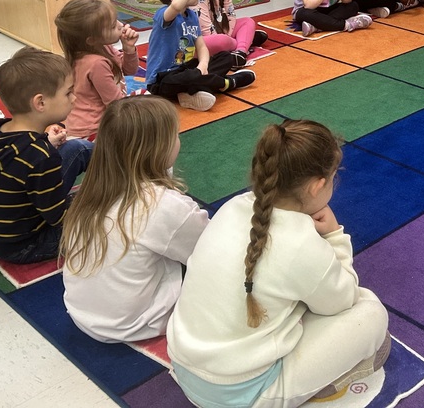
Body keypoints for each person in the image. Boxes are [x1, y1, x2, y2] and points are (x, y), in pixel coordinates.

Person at [167, 120, 390, 406]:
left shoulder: (232, 206)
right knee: (370, 312)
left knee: (296, 300)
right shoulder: (300, 244)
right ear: (317, 186)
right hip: (240, 396)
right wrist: (335, 236)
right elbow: (344, 299)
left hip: (185, 364)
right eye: (335, 176)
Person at [61, 96, 209, 343]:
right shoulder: (164, 205)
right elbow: (209, 249)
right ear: (159, 149)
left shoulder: (92, 190)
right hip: (135, 323)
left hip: (82, 312)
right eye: (175, 135)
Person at [0, 47, 91, 264]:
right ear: (40, 103)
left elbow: (12, 165)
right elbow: (57, 217)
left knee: (77, 148)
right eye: (68, 92)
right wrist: (94, 207)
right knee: (105, 217)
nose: (74, 98)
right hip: (25, 245)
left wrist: (46, 142)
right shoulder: (41, 157)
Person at [146, 0, 256, 111]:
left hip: (186, 70)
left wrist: (202, 65)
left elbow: (201, 45)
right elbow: (177, 6)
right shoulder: (163, 15)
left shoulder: (191, 15)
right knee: (187, 78)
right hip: (162, 80)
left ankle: (192, 91)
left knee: (225, 57)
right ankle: (226, 83)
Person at [55, 0, 139, 140]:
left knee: (144, 97)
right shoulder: (96, 63)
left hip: (88, 126)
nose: (120, 25)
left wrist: (128, 49)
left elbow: (129, 71)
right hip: (94, 131)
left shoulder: (101, 47)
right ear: (92, 39)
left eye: (116, 20)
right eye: (113, 26)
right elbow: (115, 104)